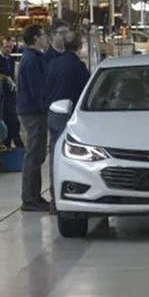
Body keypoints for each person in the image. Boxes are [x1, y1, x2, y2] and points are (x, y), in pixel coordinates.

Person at [44, 31, 90, 214]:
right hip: (69, 115)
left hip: (52, 112)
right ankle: (71, 198)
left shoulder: (53, 63)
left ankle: (55, 200)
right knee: (71, 158)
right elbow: (84, 93)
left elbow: (45, 87)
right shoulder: (78, 66)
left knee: (55, 157)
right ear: (79, 47)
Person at [17, 24, 51, 212]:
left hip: (34, 111)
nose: (46, 38)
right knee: (33, 155)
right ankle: (29, 199)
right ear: (36, 38)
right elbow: (37, 89)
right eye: (44, 35)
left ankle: (34, 196)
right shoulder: (31, 60)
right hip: (33, 112)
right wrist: (46, 108)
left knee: (36, 155)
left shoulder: (36, 58)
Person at [0, 36, 23, 148]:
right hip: (1, 97)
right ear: (1, 47)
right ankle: (16, 144)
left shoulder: (11, 60)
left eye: (11, 47)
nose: (9, 49)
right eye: (6, 47)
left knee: (11, 121)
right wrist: (6, 78)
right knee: (9, 121)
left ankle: (9, 144)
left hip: (11, 96)